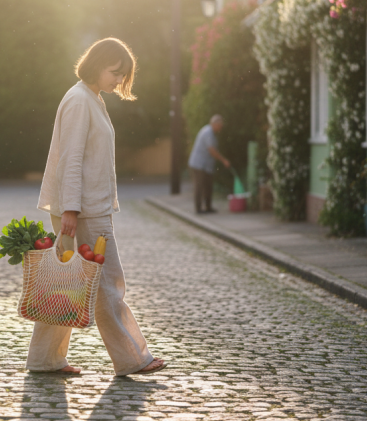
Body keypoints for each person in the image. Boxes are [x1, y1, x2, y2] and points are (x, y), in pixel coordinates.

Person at [31, 38, 166, 376]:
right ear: (96, 64)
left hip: (85, 207)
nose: (118, 81)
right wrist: (72, 211)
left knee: (66, 284)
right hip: (85, 211)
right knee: (107, 284)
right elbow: (71, 158)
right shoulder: (80, 100)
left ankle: (45, 359)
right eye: (115, 73)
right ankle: (133, 358)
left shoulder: (89, 97)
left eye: (122, 76)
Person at [188, 115, 229, 214]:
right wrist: (224, 160)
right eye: (220, 125)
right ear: (215, 124)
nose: (221, 127)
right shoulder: (208, 132)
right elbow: (211, 150)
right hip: (199, 164)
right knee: (199, 186)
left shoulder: (212, 133)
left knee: (208, 186)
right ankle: (198, 209)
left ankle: (208, 207)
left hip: (206, 166)